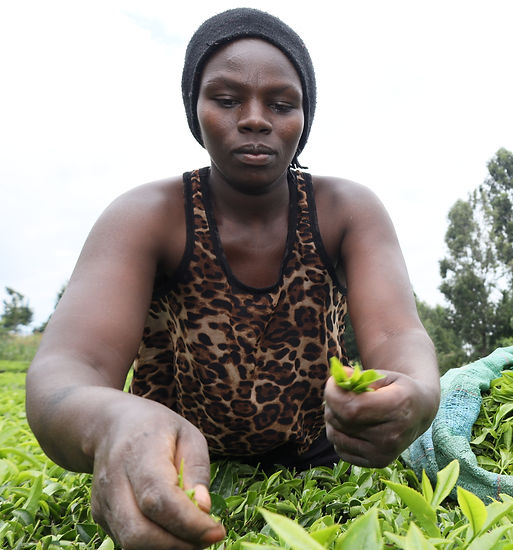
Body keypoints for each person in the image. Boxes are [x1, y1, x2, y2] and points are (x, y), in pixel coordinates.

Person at [24, 8, 440, 549]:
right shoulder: (148, 215)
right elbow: (68, 369)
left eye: (281, 104)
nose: (254, 119)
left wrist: (417, 395)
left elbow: (397, 337)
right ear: (194, 110)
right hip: (175, 461)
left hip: (316, 461)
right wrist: (111, 421)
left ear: (303, 118)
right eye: (225, 99)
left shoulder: (345, 210)